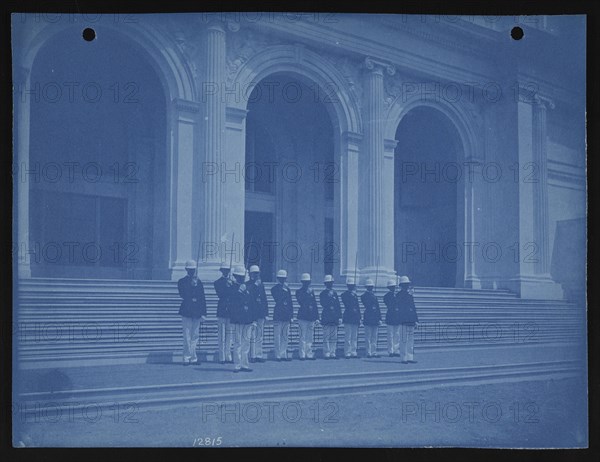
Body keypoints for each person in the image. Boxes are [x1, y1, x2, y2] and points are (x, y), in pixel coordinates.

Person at [177, 260, 207, 365]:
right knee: (187, 335)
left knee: (195, 335)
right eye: (190, 270)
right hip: (186, 310)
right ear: (186, 270)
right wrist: (191, 286)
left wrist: (204, 313)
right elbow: (183, 295)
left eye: (193, 270)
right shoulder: (181, 281)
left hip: (197, 311)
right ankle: (186, 357)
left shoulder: (199, 282)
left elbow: (202, 298)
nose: (191, 271)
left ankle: (193, 357)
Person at [229, 266, 255, 372]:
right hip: (237, 319)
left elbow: (252, 303)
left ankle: (245, 364)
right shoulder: (232, 288)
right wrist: (238, 292)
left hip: (247, 318)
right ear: (235, 277)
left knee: (246, 343)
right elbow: (231, 302)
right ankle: (237, 365)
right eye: (239, 277)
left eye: (243, 277)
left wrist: (253, 319)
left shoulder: (247, 287)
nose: (241, 279)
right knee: (237, 343)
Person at [271, 269, 294, 361]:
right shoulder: (275, 289)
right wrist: (283, 289)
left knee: (285, 335)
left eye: (284, 278)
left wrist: (291, 315)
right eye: (281, 278)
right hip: (278, 314)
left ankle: (283, 353)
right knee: (277, 335)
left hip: (286, 315)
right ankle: (277, 355)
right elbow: (278, 299)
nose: (282, 280)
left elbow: (290, 303)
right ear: (277, 279)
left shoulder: (287, 289)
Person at [247, 265, 269, 363]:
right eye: (254, 273)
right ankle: (252, 355)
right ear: (250, 274)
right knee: (252, 335)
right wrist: (255, 285)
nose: (256, 275)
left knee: (260, 335)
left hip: (260, 312)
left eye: (257, 273)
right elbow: (250, 296)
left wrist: (266, 312)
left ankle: (259, 354)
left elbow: (264, 299)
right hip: (252, 313)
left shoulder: (261, 284)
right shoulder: (248, 284)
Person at [295, 273, 319, 360]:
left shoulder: (312, 291)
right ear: (302, 282)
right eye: (305, 282)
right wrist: (307, 293)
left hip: (311, 316)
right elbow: (302, 302)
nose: (306, 283)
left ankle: (309, 353)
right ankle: (302, 354)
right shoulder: (299, 292)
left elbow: (315, 304)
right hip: (303, 316)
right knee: (302, 336)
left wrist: (317, 317)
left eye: (308, 282)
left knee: (310, 337)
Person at [214, 262, 233, 364]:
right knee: (222, 335)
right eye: (224, 270)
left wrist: (231, 285)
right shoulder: (217, 282)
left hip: (230, 311)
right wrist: (226, 286)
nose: (226, 272)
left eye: (227, 270)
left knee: (229, 335)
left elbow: (235, 295)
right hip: (222, 310)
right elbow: (221, 294)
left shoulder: (232, 283)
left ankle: (228, 355)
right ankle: (221, 357)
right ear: (221, 271)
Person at [397, 276, 419, 364]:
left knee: (410, 340)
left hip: (411, 320)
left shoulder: (410, 296)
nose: (407, 286)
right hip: (403, 320)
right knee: (403, 340)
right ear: (402, 285)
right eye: (405, 285)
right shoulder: (399, 295)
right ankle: (403, 357)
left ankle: (410, 357)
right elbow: (401, 308)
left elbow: (413, 308)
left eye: (407, 285)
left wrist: (416, 320)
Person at [320, 274, 342, 359]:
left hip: (334, 316)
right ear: (325, 283)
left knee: (334, 336)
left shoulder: (335, 293)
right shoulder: (323, 293)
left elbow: (338, 305)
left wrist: (340, 316)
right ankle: (326, 352)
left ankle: (333, 352)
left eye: (331, 283)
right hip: (326, 315)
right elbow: (323, 303)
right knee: (326, 336)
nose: (331, 284)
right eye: (329, 283)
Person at [361, 278, 382, 358]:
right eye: (369, 287)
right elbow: (367, 304)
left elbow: (378, 307)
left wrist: (380, 318)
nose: (371, 288)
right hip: (368, 317)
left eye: (371, 287)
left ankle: (374, 351)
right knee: (368, 336)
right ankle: (368, 352)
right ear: (366, 287)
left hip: (375, 318)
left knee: (374, 336)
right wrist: (371, 295)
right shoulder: (364, 296)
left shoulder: (374, 296)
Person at [341, 278, 361, 358]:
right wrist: (352, 294)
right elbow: (346, 302)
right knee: (348, 336)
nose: (352, 287)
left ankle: (353, 351)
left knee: (354, 336)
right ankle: (347, 352)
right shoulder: (345, 294)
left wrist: (359, 317)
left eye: (353, 286)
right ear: (348, 286)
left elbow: (357, 307)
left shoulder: (354, 295)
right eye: (350, 285)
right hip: (348, 317)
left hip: (355, 317)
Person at [384, 279, 401, 357]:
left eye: (394, 287)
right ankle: (390, 350)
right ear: (389, 288)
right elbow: (389, 305)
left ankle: (396, 349)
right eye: (391, 287)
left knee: (396, 334)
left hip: (397, 316)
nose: (393, 288)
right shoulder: (387, 296)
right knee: (390, 334)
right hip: (391, 316)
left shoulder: (397, 295)